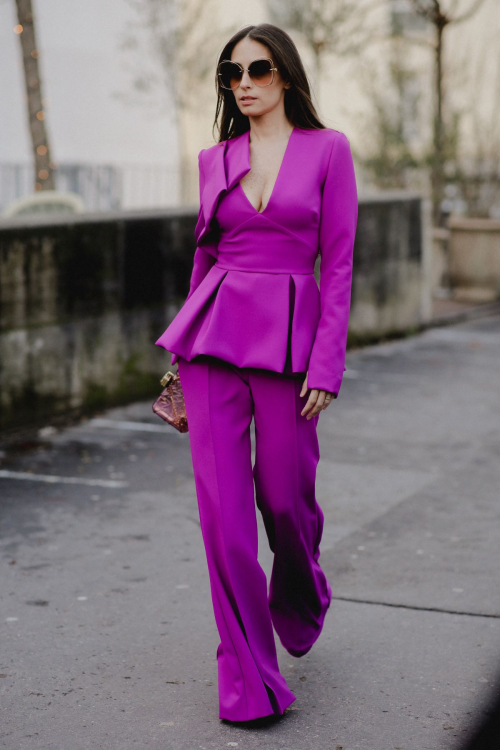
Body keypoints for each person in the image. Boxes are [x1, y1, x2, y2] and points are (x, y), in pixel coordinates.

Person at [155, 23, 358, 723]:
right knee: (226, 525)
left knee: (284, 498)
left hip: (290, 350)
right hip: (213, 344)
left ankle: (302, 586)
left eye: (258, 69)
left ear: (287, 76)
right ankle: (249, 680)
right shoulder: (216, 159)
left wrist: (326, 364)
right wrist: (177, 365)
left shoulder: (329, 151)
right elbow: (204, 262)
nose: (243, 83)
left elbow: (338, 264)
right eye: (231, 73)